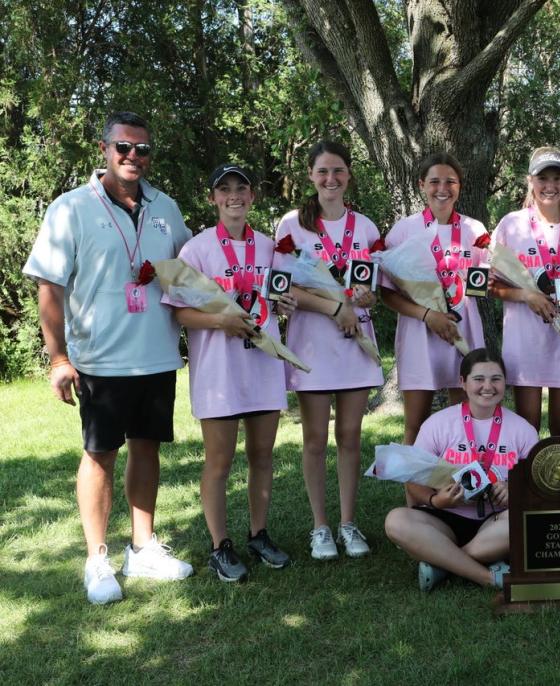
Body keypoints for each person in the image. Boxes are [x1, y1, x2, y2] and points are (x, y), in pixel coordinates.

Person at [23, 112, 194, 604]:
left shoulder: (166, 207)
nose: (132, 156)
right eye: (123, 146)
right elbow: (49, 287)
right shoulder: (71, 207)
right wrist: (58, 358)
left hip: (157, 355)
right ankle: (97, 560)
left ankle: (142, 549)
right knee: (99, 455)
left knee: (147, 448)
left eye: (142, 149)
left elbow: (187, 275)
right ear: (104, 149)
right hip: (99, 359)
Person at [164, 164, 296, 581]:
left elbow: (280, 296)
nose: (234, 196)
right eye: (224, 189)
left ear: (252, 196)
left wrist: (285, 305)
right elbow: (180, 312)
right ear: (213, 199)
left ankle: (259, 533)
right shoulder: (198, 249)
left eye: (242, 188)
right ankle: (220, 545)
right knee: (219, 462)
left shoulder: (272, 247)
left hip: (263, 364)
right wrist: (222, 321)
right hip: (219, 370)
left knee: (262, 456)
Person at [272, 141, 383, 560]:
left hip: (356, 344)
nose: (330, 179)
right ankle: (321, 527)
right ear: (311, 176)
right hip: (313, 344)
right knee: (315, 439)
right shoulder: (291, 226)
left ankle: (348, 523)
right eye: (323, 172)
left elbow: (374, 286)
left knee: (350, 437)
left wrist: (364, 300)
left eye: (338, 171)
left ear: (348, 175)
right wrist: (336, 306)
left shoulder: (367, 227)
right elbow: (286, 287)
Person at [383, 349, 539, 591]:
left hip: (496, 520)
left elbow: (538, 484)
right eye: (478, 379)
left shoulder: (523, 429)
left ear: (505, 383)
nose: (488, 386)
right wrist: (436, 501)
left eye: (496, 379)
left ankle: (443, 563)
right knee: (396, 520)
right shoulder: (438, 424)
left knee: (528, 522)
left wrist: (513, 489)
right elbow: (413, 479)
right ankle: (485, 575)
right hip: (447, 519)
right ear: (462, 383)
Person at [381, 153, 488, 445]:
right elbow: (386, 291)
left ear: (460, 186)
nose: (443, 188)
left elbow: (481, 283)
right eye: (435, 181)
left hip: (463, 330)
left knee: (465, 420)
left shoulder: (474, 230)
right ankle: (415, 492)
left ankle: (462, 488)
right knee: (415, 424)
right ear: (421, 185)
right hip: (420, 332)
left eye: (450, 181)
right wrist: (428, 315)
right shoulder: (405, 229)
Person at [489, 147, 560, 435]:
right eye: (542, 178)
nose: (549, 186)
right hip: (525, 337)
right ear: (530, 181)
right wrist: (527, 295)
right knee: (527, 429)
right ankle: (525, 482)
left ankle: (557, 480)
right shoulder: (512, 225)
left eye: (556, 178)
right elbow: (491, 285)